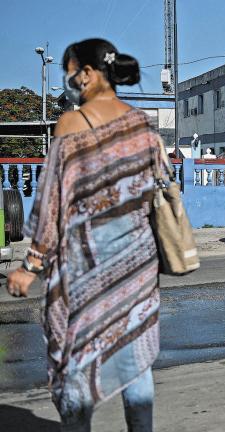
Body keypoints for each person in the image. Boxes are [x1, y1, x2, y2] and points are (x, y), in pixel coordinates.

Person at [6, 39, 166, 431]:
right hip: (136, 265)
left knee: (75, 363)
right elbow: (158, 184)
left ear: (90, 74)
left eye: (71, 71)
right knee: (134, 360)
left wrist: (31, 265)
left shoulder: (72, 125)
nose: (69, 79)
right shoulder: (143, 123)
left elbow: (51, 205)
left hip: (86, 267)